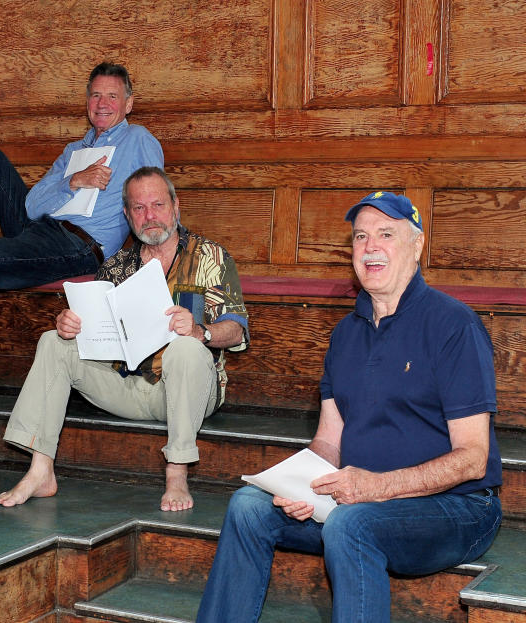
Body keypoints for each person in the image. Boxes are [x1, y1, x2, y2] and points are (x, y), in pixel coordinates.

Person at [196, 192, 503, 623]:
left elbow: (473, 460)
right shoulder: (345, 334)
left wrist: (379, 487)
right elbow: (328, 440)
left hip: (457, 508)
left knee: (351, 525)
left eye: (386, 234)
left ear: (417, 246)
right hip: (359, 502)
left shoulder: (454, 325)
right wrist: (303, 486)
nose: (370, 246)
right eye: (360, 236)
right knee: (249, 507)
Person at [0, 167, 248, 511]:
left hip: (189, 391)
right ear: (128, 215)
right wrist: (70, 325)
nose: (150, 216)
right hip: (125, 386)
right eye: (139, 208)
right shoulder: (115, 267)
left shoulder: (211, 257)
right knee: (53, 341)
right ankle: (41, 470)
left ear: (175, 207)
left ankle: (176, 474)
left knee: (186, 348)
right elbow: (95, 334)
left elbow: (236, 329)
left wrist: (201, 331)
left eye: (157, 205)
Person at [0, 62, 164, 406]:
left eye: (112, 96)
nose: (102, 103)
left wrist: (157, 258)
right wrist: (74, 180)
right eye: (96, 95)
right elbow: (30, 204)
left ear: (128, 103)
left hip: (78, 243)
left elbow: (154, 195)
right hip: (39, 229)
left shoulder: (138, 139)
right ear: (87, 101)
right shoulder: (74, 151)